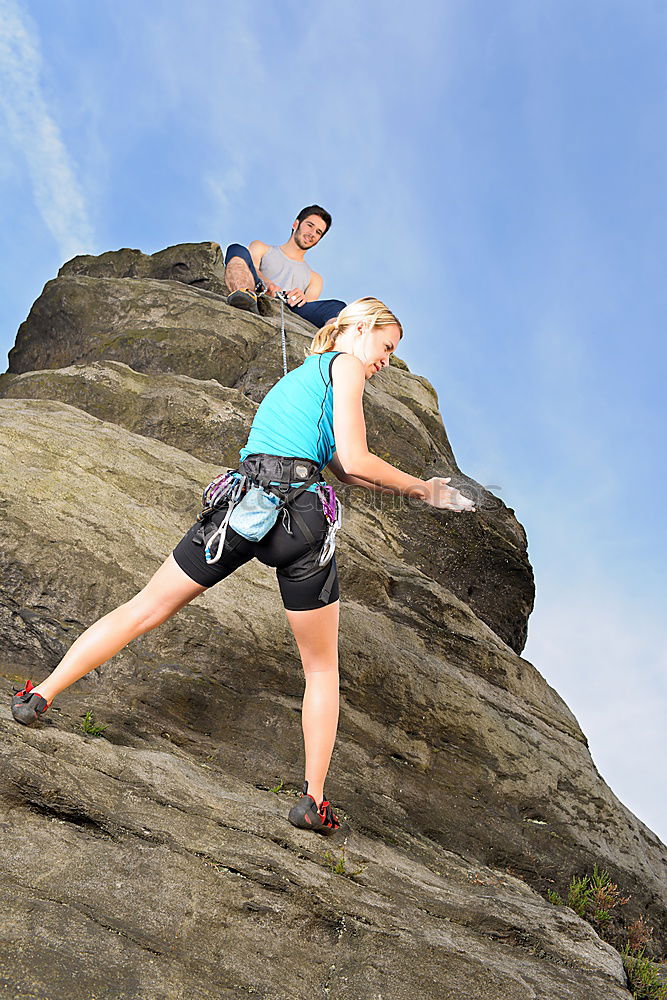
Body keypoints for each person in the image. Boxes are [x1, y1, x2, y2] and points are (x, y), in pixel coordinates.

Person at [11, 297, 475, 836]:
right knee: (321, 668)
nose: (386, 361)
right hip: (299, 519)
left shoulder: (301, 380)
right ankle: (312, 800)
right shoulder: (346, 367)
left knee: (145, 608)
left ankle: (38, 695)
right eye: (387, 346)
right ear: (359, 328)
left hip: (245, 503)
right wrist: (424, 488)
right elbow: (354, 460)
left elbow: (348, 470)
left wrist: (420, 493)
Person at [224, 205, 346, 330]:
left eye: (318, 232)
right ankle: (244, 299)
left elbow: (309, 308)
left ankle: (330, 341)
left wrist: (301, 299)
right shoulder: (261, 248)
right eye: (310, 225)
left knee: (337, 307)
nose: (312, 233)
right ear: (295, 224)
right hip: (260, 291)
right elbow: (251, 268)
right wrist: (267, 283)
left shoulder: (315, 279)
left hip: (290, 307)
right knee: (237, 249)